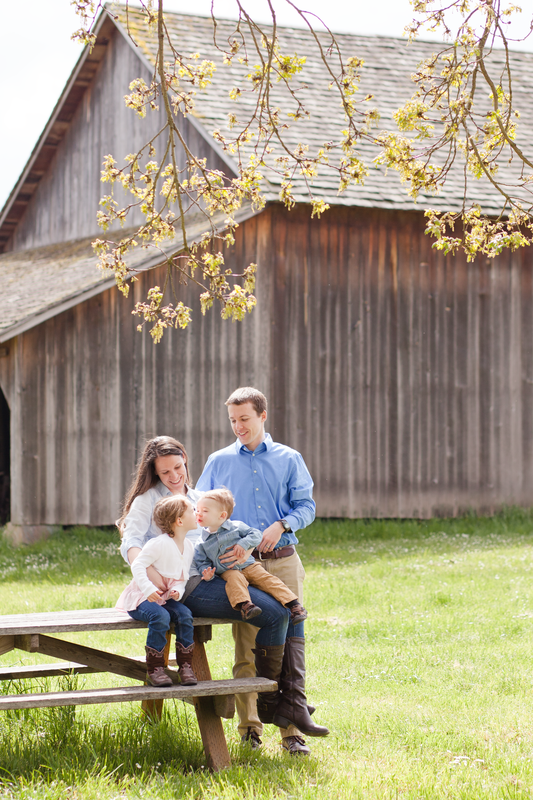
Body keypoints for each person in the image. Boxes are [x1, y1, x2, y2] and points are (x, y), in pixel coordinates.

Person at [118, 436, 305, 738]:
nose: (174, 476)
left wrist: (239, 550)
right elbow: (131, 541)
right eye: (165, 472)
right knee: (274, 614)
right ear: (155, 473)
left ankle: (271, 700)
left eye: (178, 467)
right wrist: (148, 573)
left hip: (217, 576)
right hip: (185, 585)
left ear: (186, 461)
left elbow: (223, 530)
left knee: (280, 612)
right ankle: (270, 700)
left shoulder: (199, 497)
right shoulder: (148, 499)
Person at [196, 387, 329, 756]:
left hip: (283, 560)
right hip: (239, 567)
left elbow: (307, 506)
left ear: (262, 416)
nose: (238, 426)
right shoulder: (218, 461)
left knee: (288, 644)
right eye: (233, 420)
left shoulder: (289, 458)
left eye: (245, 419)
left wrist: (282, 524)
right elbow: (199, 513)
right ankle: (249, 729)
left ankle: (290, 732)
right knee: (247, 645)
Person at [116, 494, 198, 686]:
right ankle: (155, 669)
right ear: (179, 521)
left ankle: (185, 666)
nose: (196, 514)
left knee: (185, 615)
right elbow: (137, 566)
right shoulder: (158, 544)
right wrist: (148, 588)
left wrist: (177, 590)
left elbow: (181, 577)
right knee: (160, 617)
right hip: (141, 599)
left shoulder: (188, 546)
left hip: (163, 598)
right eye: (191, 511)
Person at [194, 488, 308, 623]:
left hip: (249, 565)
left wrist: (243, 543)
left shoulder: (236, 527)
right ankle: (246, 606)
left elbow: (256, 534)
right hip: (228, 571)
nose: (198, 514)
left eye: (205, 511)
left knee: (266, 580)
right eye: (197, 510)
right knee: (234, 580)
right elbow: (202, 562)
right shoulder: (201, 542)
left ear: (222, 515)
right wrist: (207, 573)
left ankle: (294, 605)